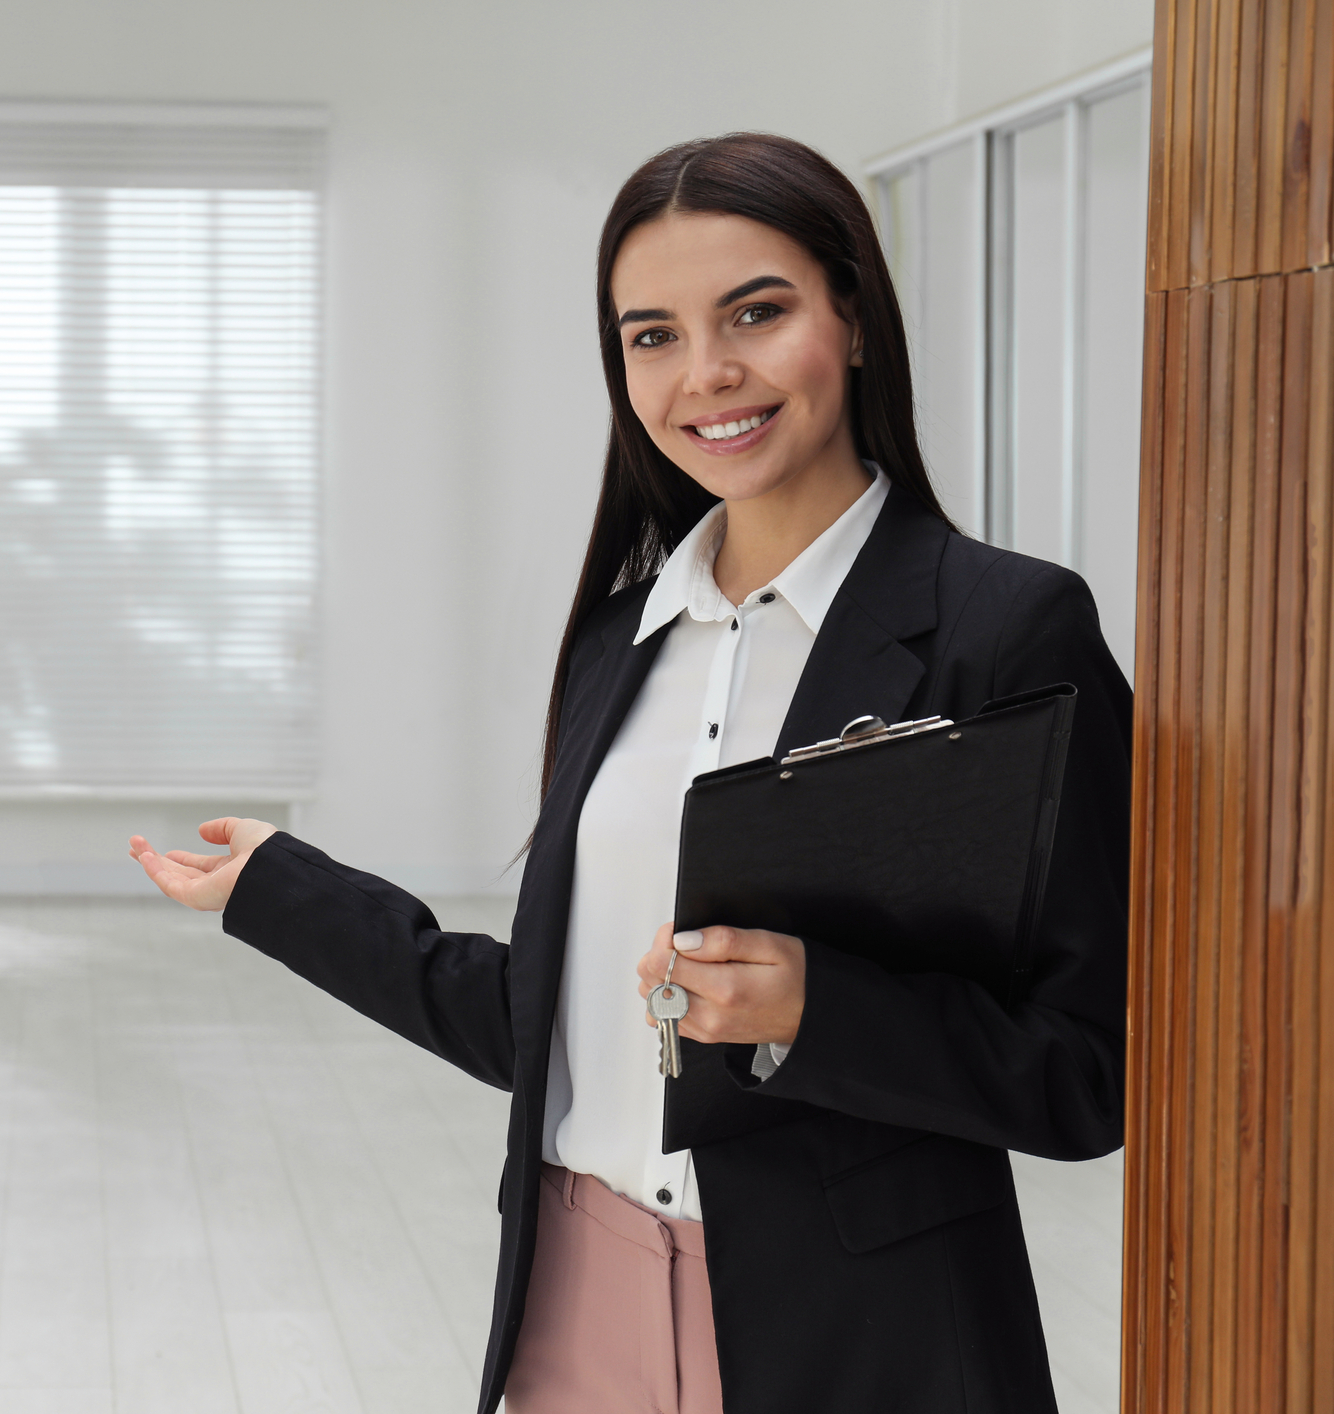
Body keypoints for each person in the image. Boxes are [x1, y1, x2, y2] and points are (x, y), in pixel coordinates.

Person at [128, 132, 1129, 1414]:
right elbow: (553, 1024)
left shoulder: (1007, 629)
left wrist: (818, 1012)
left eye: (756, 313)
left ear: (857, 317)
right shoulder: (618, 641)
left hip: (857, 1339)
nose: (706, 373)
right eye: (650, 335)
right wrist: (279, 887)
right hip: (576, 1305)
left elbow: (1090, 1066)